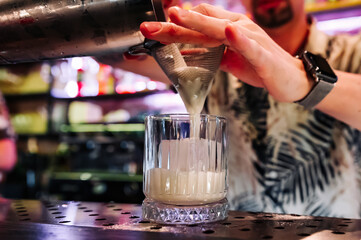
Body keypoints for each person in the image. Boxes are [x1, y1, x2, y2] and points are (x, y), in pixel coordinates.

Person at [112, 0, 361, 218]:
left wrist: (303, 80)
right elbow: (107, 53)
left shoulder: (353, 52)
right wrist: (138, 11)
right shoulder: (216, 59)